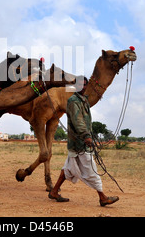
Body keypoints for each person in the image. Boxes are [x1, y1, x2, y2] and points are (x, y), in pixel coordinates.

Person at [48, 77, 119, 207]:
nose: (83, 86)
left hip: (78, 142)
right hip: (79, 143)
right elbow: (78, 121)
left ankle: (54, 191)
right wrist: (86, 136)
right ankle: (102, 197)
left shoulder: (84, 100)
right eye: (80, 84)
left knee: (68, 169)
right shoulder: (74, 101)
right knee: (91, 169)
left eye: (84, 84)